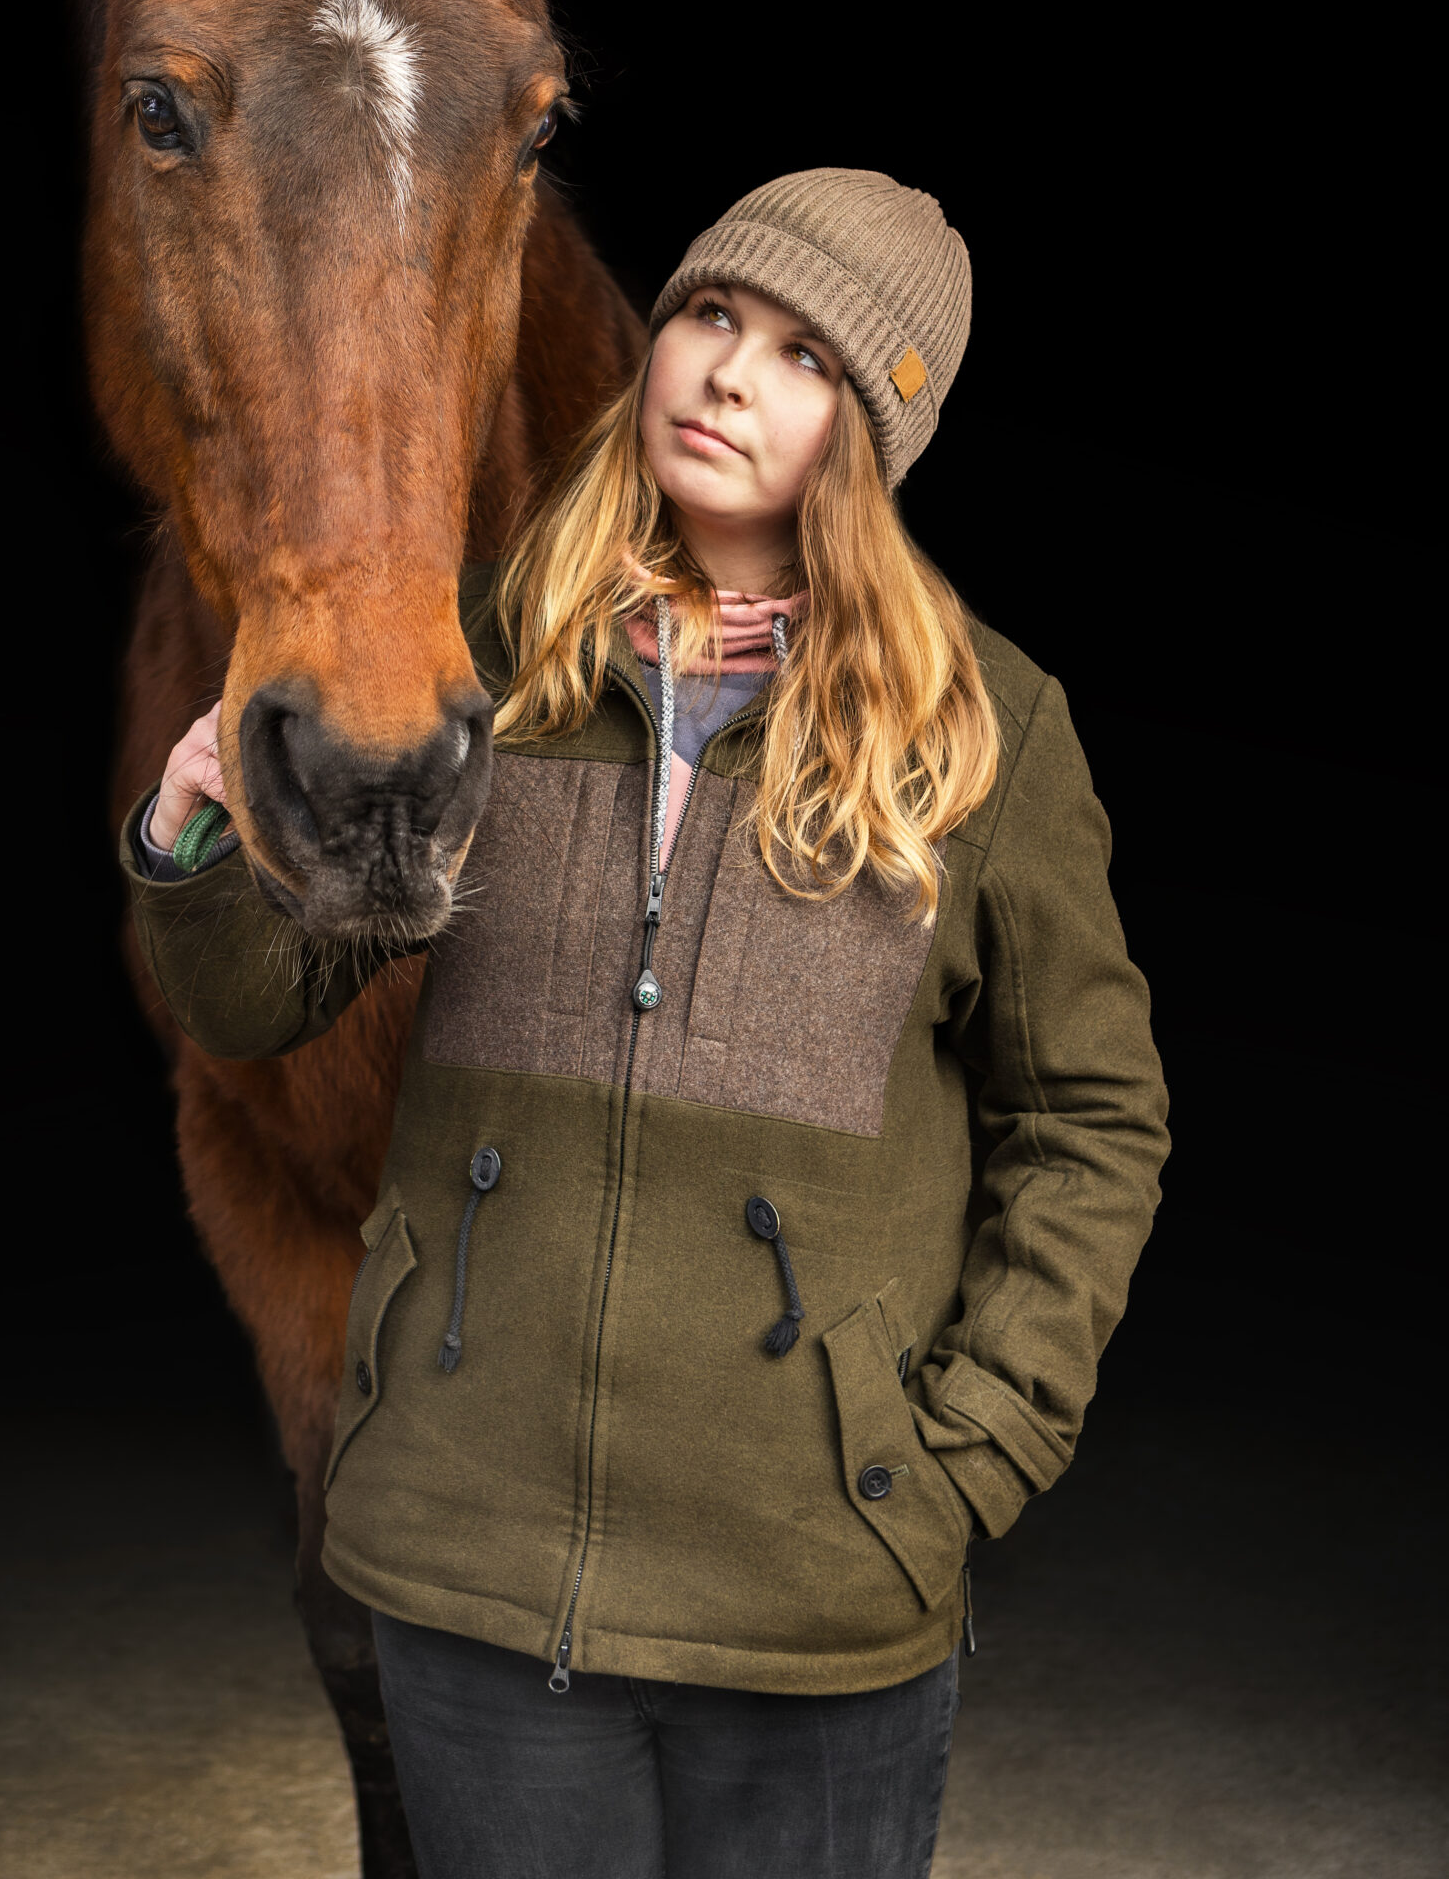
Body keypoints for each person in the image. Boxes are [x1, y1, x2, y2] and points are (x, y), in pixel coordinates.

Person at [126, 168, 1169, 1878]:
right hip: (471, 1570)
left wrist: (966, 1457)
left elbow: (1093, 1120)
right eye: (707, 315)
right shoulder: (488, 668)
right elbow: (254, 1009)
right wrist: (188, 843)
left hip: (812, 1602)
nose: (728, 374)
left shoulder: (983, 737)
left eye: (805, 355)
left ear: (878, 430)